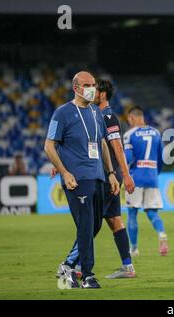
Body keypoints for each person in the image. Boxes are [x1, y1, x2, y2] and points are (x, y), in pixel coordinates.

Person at [56, 79, 137, 280]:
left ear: (101, 94)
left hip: (104, 176)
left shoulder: (106, 116)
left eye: (94, 89)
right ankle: (127, 266)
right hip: (105, 175)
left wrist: (125, 175)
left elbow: (117, 146)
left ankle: (73, 264)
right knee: (113, 219)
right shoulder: (94, 115)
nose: (90, 92)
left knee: (89, 223)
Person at [45, 71, 120, 289]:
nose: (92, 88)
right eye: (87, 85)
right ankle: (88, 275)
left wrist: (111, 173)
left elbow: (102, 144)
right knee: (86, 226)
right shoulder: (62, 113)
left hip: (98, 177)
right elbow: (49, 145)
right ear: (76, 88)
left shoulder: (96, 112)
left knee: (95, 225)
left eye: (94, 85)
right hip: (76, 180)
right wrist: (64, 172)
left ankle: (68, 265)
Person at [123, 106, 168, 257]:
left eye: (129, 119)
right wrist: (155, 173)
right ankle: (161, 234)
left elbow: (128, 158)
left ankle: (134, 249)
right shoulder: (156, 133)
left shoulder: (129, 134)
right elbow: (162, 158)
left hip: (136, 177)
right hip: (152, 177)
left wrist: (124, 172)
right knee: (152, 212)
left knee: (132, 213)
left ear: (132, 118)